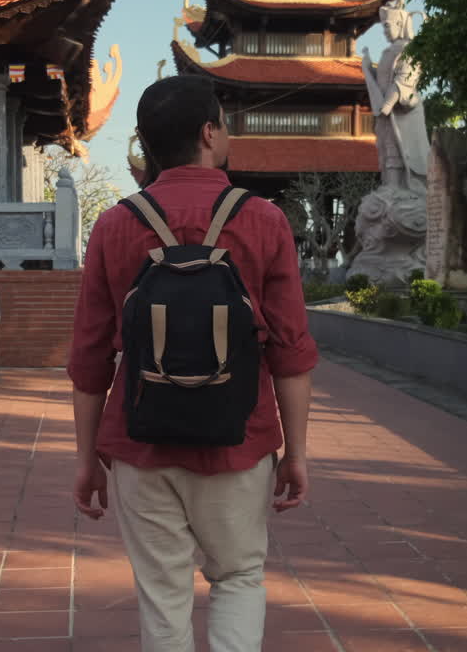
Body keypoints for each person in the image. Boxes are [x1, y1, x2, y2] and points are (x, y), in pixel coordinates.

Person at [67, 75, 317, 652]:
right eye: (224, 122)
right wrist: (297, 454)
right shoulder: (264, 221)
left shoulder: (113, 225)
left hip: (140, 444)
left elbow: (89, 358)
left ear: (148, 144)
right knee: (238, 576)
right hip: (239, 443)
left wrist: (87, 460)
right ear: (209, 132)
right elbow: (290, 352)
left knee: (163, 594)